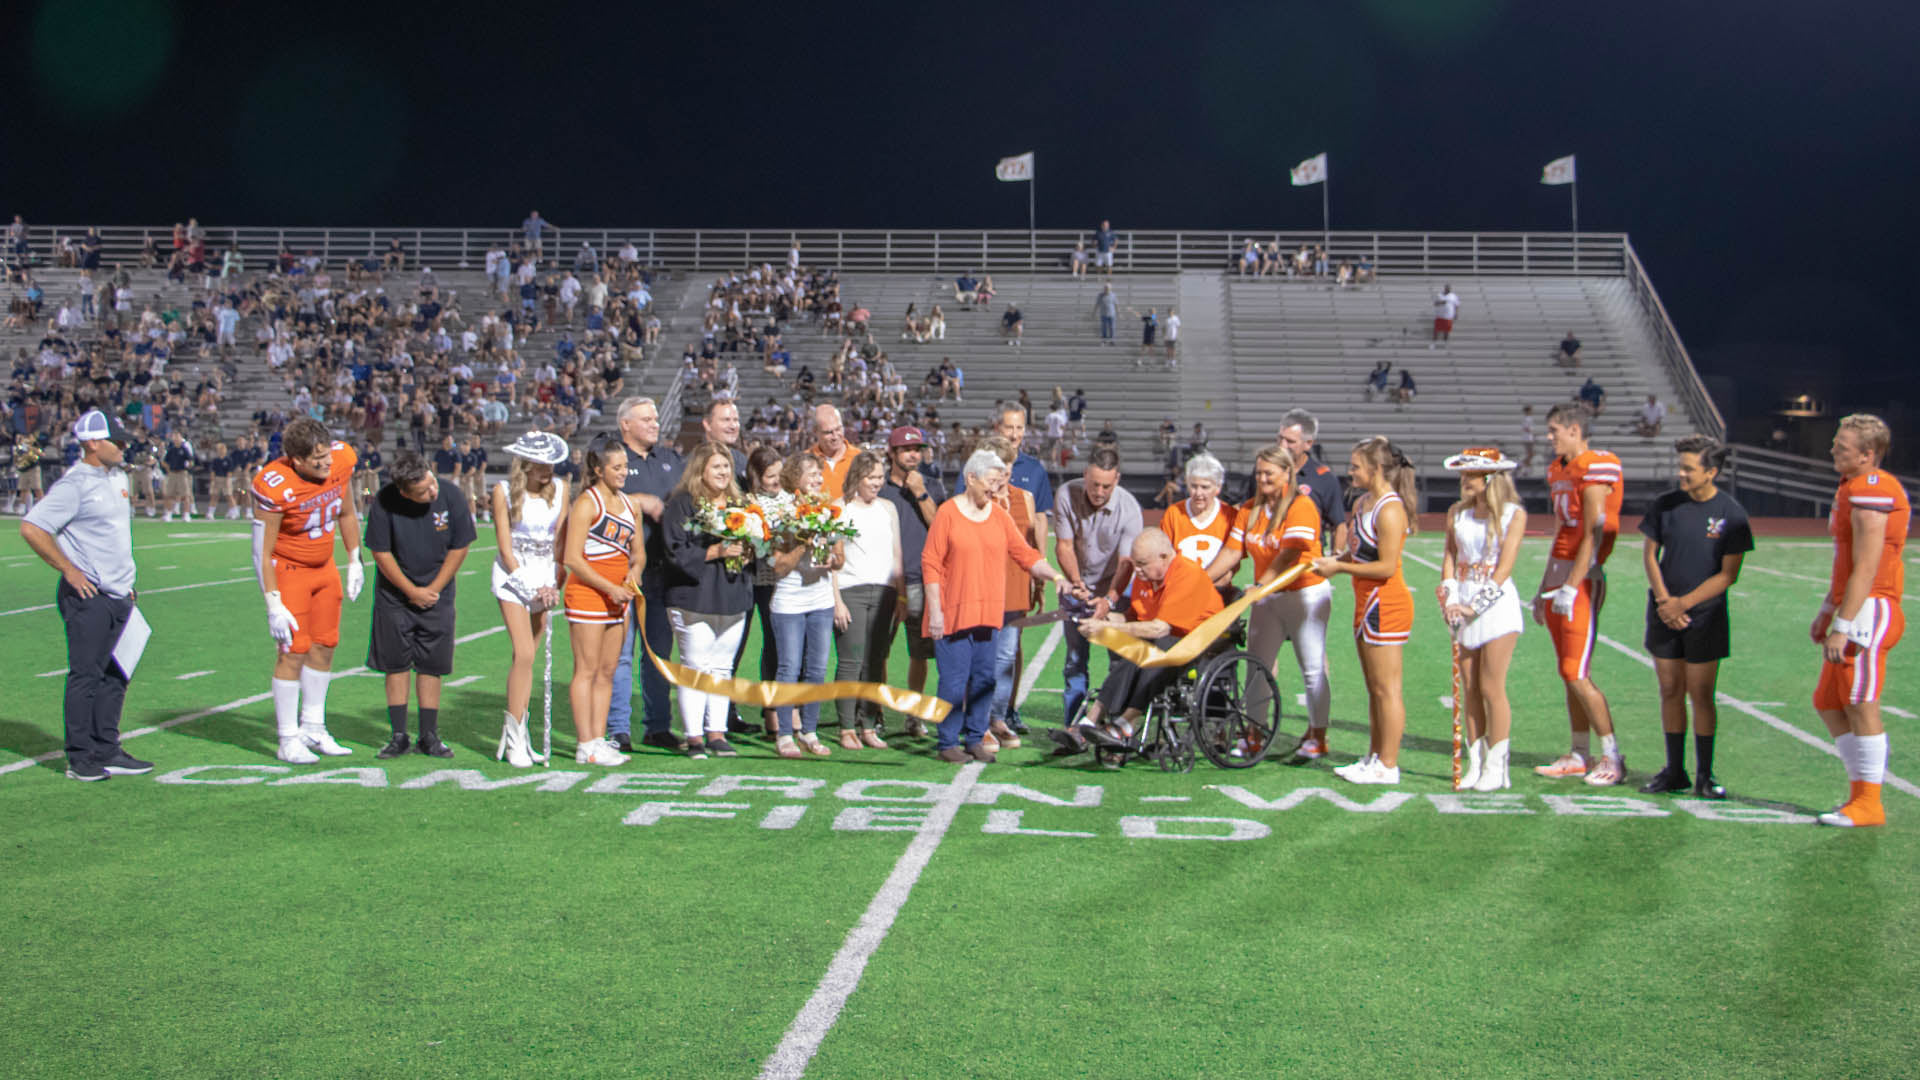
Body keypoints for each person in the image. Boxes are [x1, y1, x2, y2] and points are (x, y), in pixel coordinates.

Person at [923, 449, 1079, 763]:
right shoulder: (948, 513)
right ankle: (947, 742)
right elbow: (931, 563)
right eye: (991, 482)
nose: (996, 489)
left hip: (988, 613)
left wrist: (1055, 576)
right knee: (953, 681)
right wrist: (936, 611)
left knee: (984, 679)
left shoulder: (998, 515)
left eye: (999, 482)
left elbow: (1025, 554)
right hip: (953, 611)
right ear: (971, 478)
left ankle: (976, 736)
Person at [20, 410, 147, 781]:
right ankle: (80, 758)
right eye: (116, 441)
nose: (123, 447)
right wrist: (68, 569)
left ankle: (108, 748)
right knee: (86, 675)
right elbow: (33, 527)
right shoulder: (75, 483)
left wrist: (126, 582)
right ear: (92, 442)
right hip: (88, 595)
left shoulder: (118, 476)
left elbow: (114, 538)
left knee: (116, 673)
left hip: (120, 592)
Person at [1638, 436, 1752, 799]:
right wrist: (1664, 601)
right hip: (1664, 612)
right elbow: (1650, 554)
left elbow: (1727, 575)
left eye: (1689, 468)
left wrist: (1683, 604)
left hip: (1704, 616)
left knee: (1701, 695)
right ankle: (1674, 771)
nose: (1681, 474)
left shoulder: (1731, 513)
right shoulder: (1665, 505)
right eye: (1681, 466)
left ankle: (1705, 774)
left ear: (1711, 472)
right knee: (1670, 689)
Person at [1811, 414, 1907, 827]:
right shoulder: (1851, 486)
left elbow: (1867, 564)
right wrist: (1827, 609)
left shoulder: (1874, 486)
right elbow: (1846, 562)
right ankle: (1858, 794)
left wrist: (1843, 622)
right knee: (1829, 700)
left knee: (1859, 701)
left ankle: (1869, 802)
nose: (1833, 448)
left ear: (1868, 454)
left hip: (1872, 607)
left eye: (1842, 445)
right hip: (1854, 605)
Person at [252, 417, 364, 764]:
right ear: (296, 460)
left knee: (326, 645)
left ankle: (314, 727)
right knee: (293, 651)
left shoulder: (340, 461)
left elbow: (346, 512)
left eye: (327, 456)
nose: (326, 464)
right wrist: (272, 601)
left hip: (325, 567)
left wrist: (355, 557)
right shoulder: (276, 484)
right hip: (290, 571)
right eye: (317, 461)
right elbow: (261, 551)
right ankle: (287, 739)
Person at [1212, 445, 1334, 755]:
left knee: (1312, 667)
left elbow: (1289, 555)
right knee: (1257, 665)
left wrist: (1260, 585)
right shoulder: (1249, 509)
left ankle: (1318, 736)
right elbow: (1231, 552)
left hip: (1305, 595)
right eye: (1259, 472)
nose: (1263, 478)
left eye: (1269, 473)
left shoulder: (1301, 506)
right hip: (1267, 597)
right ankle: (1254, 733)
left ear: (1287, 474)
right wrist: (1200, 580)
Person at [1056, 529, 1222, 754]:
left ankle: (1124, 724)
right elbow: (1132, 618)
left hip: (1198, 642)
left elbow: (1158, 627)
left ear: (1164, 557)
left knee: (1156, 651)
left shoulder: (1187, 574)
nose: (1136, 570)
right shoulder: (1149, 576)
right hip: (1166, 637)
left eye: (1142, 564)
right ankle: (1089, 722)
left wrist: (1106, 627)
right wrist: (1098, 617)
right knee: (1133, 653)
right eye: (1135, 563)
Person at [1312, 437, 1417, 785]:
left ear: (1375, 469)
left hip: (1386, 604)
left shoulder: (1390, 508)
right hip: (1366, 603)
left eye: (1356, 466)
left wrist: (1339, 570)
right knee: (1374, 688)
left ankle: (1388, 764)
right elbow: (1357, 555)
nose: (1350, 471)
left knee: (1388, 689)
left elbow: (1386, 567)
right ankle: (1374, 756)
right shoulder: (1362, 503)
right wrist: (1334, 560)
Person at [1534, 403, 1627, 785]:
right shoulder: (1558, 469)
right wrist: (1544, 586)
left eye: (1555, 429)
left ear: (1575, 429)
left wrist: (1572, 584)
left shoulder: (1597, 463)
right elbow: (1562, 530)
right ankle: (1578, 753)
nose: (1549, 436)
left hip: (1582, 577)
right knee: (1566, 672)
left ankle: (1613, 758)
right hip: (1561, 572)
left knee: (1576, 671)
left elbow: (1595, 529)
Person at [365, 452, 475, 759]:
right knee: (396, 662)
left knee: (431, 662)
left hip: (438, 593)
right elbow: (381, 551)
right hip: (395, 594)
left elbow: (460, 545)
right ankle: (398, 734)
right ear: (404, 492)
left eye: (431, 483)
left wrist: (433, 588)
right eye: (423, 491)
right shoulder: (385, 501)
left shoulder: (450, 494)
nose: (432, 492)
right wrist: (410, 590)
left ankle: (429, 735)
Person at [1438, 448, 1528, 791]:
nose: (1463, 482)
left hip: (1497, 608)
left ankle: (1497, 764)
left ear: (1489, 479)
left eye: (1470, 476)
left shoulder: (1512, 515)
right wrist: (1450, 597)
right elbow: (1450, 556)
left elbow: (1504, 569)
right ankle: (1476, 761)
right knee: (1470, 688)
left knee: (1491, 685)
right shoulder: (1456, 513)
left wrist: (1474, 606)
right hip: (1462, 604)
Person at [661, 442, 758, 760]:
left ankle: (717, 733)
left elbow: (758, 544)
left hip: (733, 593)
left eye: (727, 466)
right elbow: (674, 551)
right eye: (716, 466)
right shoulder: (682, 503)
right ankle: (694, 738)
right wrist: (715, 551)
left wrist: (750, 552)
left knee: (722, 667)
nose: (723, 472)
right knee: (695, 667)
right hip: (694, 595)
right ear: (700, 469)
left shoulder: (740, 503)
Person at [605, 396, 682, 752]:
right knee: (620, 654)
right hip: (621, 572)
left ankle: (658, 725)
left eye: (655, 418)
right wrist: (640, 501)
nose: (655, 424)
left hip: (663, 571)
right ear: (625, 425)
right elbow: (594, 499)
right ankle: (617, 728)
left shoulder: (670, 460)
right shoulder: (609, 456)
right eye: (647, 419)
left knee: (659, 653)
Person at [561, 435, 642, 767]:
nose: (624, 472)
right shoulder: (586, 503)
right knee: (587, 669)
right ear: (598, 469)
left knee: (608, 670)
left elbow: (638, 554)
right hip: (587, 594)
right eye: (617, 467)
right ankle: (585, 743)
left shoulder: (630, 504)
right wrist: (609, 587)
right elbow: (572, 558)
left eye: (625, 466)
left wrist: (631, 578)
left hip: (618, 597)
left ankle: (598, 739)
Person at [490, 431, 570, 768]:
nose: (547, 470)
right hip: (512, 578)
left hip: (545, 578)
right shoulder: (503, 491)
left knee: (530, 658)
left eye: (550, 464)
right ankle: (514, 739)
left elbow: (559, 543)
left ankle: (518, 732)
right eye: (539, 465)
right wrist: (530, 585)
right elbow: (506, 550)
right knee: (523, 652)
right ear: (524, 464)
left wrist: (552, 585)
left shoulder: (562, 490)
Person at [1054, 446, 1144, 724]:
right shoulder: (1066, 494)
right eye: (1094, 484)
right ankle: (1073, 726)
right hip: (1078, 583)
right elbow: (1064, 545)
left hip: (1114, 586)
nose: (1099, 492)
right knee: (1075, 660)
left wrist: (1110, 599)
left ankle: (1112, 725)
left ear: (1116, 479)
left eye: (1106, 485)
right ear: (1085, 475)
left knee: (1118, 660)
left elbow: (1126, 561)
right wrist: (1076, 582)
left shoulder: (1129, 509)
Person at [767, 452, 842, 758]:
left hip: (821, 599)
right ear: (793, 477)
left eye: (819, 473)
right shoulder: (780, 513)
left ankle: (810, 731)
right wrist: (804, 541)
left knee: (817, 669)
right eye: (810, 472)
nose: (817, 478)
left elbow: (840, 558)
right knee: (789, 667)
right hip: (789, 600)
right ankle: (785, 734)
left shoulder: (829, 509)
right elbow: (778, 567)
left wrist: (831, 557)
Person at [875, 426, 947, 737]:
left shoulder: (931, 486)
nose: (912, 454)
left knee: (920, 652)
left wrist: (920, 492)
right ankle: (875, 711)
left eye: (916, 448)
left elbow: (940, 527)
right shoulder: (878, 488)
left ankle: (914, 714)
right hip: (883, 580)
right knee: (878, 651)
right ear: (891, 453)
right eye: (905, 449)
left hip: (920, 579)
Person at [833, 451, 903, 749]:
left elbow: (897, 554)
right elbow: (832, 559)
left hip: (884, 592)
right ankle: (847, 726)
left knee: (875, 663)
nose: (878, 483)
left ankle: (869, 724)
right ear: (857, 478)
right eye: (871, 477)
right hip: (851, 590)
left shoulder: (888, 508)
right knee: (851, 662)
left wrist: (900, 595)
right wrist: (836, 600)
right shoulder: (840, 508)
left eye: (880, 477)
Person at [1277, 408, 1350, 556]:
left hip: (1307, 560)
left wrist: (1334, 559)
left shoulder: (1324, 478)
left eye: (1290, 441)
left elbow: (1339, 525)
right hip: (1270, 557)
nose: (1282, 446)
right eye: (1280, 438)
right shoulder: (1266, 471)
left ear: (1308, 444)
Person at [1159, 451, 1236, 581]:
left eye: (1205, 487)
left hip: (1218, 589)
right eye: (1194, 486)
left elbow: (1232, 565)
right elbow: (1163, 556)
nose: (1198, 493)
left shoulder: (1230, 516)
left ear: (1218, 488)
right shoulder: (1174, 513)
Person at [808, 403, 858, 499]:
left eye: (838, 429)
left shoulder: (859, 458)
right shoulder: (804, 461)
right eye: (828, 432)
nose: (835, 436)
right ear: (815, 431)